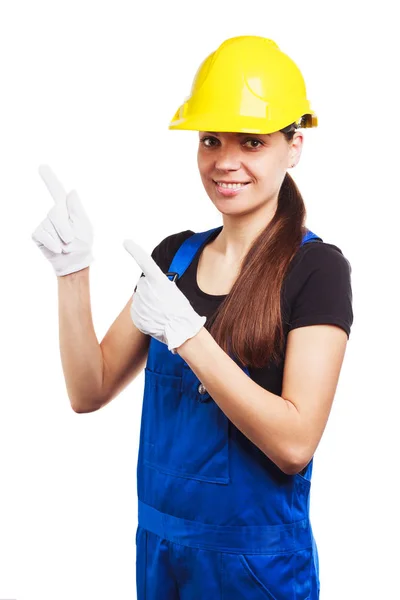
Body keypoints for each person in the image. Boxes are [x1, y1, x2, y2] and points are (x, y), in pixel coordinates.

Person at [31, 35, 353, 599]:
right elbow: (88, 389)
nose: (226, 162)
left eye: (251, 142)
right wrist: (72, 271)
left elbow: (297, 442)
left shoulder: (315, 269)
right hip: (160, 555)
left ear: (294, 146)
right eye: (210, 141)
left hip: (256, 569)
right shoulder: (172, 260)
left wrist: (189, 337)